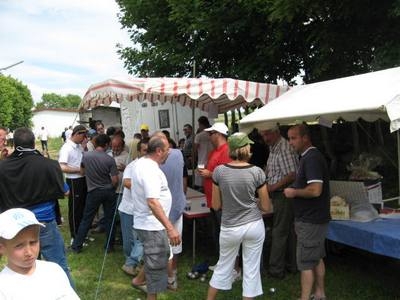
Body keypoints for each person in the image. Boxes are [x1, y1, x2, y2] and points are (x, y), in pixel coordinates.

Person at [0, 127, 74, 286]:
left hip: (17, 228)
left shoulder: (3, 167)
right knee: (59, 265)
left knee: (23, 269)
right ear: (34, 143)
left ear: (15, 143)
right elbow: (65, 192)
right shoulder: (50, 164)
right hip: (43, 222)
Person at [207, 132, 272, 300]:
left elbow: (215, 205)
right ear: (246, 148)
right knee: (251, 270)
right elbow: (266, 206)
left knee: (223, 267)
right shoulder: (257, 172)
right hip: (254, 225)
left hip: (230, 226)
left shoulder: (219, 172)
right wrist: (253, 201)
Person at [130, 134, 181, 300]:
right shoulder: (149, 169)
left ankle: (139, 281)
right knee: (156, 268)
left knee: (157, 259)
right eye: (167, 150)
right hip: (151, 225)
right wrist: (171, 228)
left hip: (150, 224)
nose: (169, 152)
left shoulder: (144, 164)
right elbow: (152, 201)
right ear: (159, 151)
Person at [283, 124, 331, 300]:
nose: (290, 142)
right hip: (315, 218)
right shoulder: (308, 157)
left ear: (305, 138)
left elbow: (315, 190)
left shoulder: (311, 158)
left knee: (304, 263)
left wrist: (293, 192)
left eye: (293, 138)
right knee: (316, 257)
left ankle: (304, 298)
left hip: (311, 220)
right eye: (289, 138)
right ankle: (319, 293)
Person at [0, 208, 80, 299]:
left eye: (33, 242)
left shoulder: (54, 270)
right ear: (2, 248)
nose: (29, 252)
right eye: (19, 246)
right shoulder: (3, 287)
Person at [70, 134, 119, 253]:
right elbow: (115, 180)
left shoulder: (86, 156)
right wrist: (111, 187)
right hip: (108, 191)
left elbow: (82, 172)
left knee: (86, 219)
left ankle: (77, 246)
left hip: (93, 191)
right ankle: (109, 246)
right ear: (107, 145)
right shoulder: (110, 159)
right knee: (109, 219)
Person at [261, 126, 298, 279]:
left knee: (279, 231)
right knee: (287, 231)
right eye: (263, 135)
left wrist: (271, 187)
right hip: (278, 193)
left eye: (267, 134)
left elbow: (292, 174)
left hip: (284, 193)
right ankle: (293, 265)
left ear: (276, 132)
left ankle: (276, 270)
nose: (265, 138)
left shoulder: (283, 147)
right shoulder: (274, 147)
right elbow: (274, 171)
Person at [198, 122, 231, 261]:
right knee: (216, 231)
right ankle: (221, 260)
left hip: (221, 200)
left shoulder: (226, 150)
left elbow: (228, 174)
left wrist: (209, 174)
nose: (209, 136)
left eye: (211, 134)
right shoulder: (214, 151)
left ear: (218, 134)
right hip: (212, 199)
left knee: (224, 232)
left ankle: (228, 262)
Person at [159, 135, 187, 291]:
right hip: (177, 205)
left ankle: (169, 277)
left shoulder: (152, 163)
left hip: (163, 209)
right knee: (175, 242)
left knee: (163, 245)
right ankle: (173, 272)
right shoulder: (178, 154)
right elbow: (183, 178)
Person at [119, 139, 148, 276]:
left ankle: (131, 263)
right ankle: (131, 263)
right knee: (129, 240)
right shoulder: (133, 166)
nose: (146, 154)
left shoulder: (152, 166)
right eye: (144, 151)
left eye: (149, 151)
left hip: (143, 209)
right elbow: (126, 182)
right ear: (139, 151)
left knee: (141, 239)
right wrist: (147, 188)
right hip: (128, 208)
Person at [58, 125, 88, 242]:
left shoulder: (79, 146)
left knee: (82, 208)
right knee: (75, 209)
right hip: (74, 180)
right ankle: (74, 237)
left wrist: (84, 147)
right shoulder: (67, 148)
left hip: (82, 179)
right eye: (83, 136)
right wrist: (77, 170)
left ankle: (81, 235)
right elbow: (61, 166)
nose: (84, 138)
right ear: (77, 134)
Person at [193, 116, 213, 190]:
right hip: (212, 160)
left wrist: (193, 158)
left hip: (201, 161)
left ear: (201, 124)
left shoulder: (199, 136)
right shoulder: (212, 134)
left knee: (200, 181)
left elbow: (195, 149)